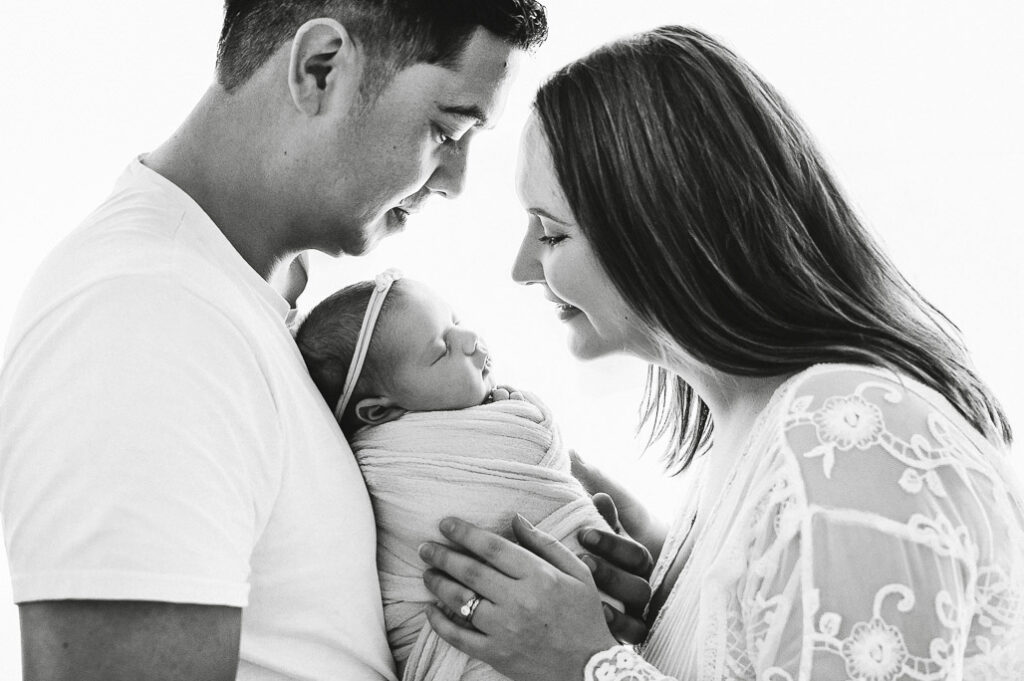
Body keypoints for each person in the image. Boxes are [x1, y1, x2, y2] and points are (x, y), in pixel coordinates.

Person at [415, 25, 1024, 681]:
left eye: (552, 233)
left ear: (660, 228)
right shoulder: (753, 446)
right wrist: (652, 625)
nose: (522, 269)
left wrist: (585, 663)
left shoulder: (847, 432)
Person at [0, 2, 548, 680]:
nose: (456, 181)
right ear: (321, 69)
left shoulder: (243, 306)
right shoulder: (143, 319)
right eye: (445, 129)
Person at [296, 270, 617, 680]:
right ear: (379, 411)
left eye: (457, 322)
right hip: (461, 653)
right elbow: (524, 459)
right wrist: (520, 424)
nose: (469, 341)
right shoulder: (392, 467)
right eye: (441, 350)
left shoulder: (474, 419)